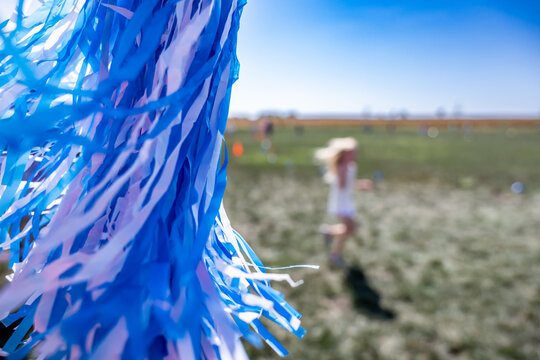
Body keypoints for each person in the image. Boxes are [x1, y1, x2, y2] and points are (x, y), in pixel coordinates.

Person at [315, 137, 358, 268]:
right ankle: (334, 254)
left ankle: (329, 233)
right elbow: (343, 186)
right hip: (340, 204)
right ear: (344, 154)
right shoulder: (342, 167)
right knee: (351, 228)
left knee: (349, 229)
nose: (355, 154)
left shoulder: (350, 166)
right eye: (351, 152)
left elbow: (349, 184)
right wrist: (343, 170)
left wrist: (361, 185)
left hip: (346, 202)